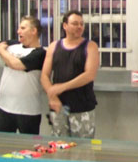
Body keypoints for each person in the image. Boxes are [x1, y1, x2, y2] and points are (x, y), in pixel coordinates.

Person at [41, 10, 99, 138]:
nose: (79, 27)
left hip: (82, 107)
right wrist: (52, 96)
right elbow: (44, 76)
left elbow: (89, 75)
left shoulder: (90, 47)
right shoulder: (54, 46)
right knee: (58, 146)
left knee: (83, 150)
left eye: (81, 24)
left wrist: (62, 87)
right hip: (59, 107)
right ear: (65, 26)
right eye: (75, 23)